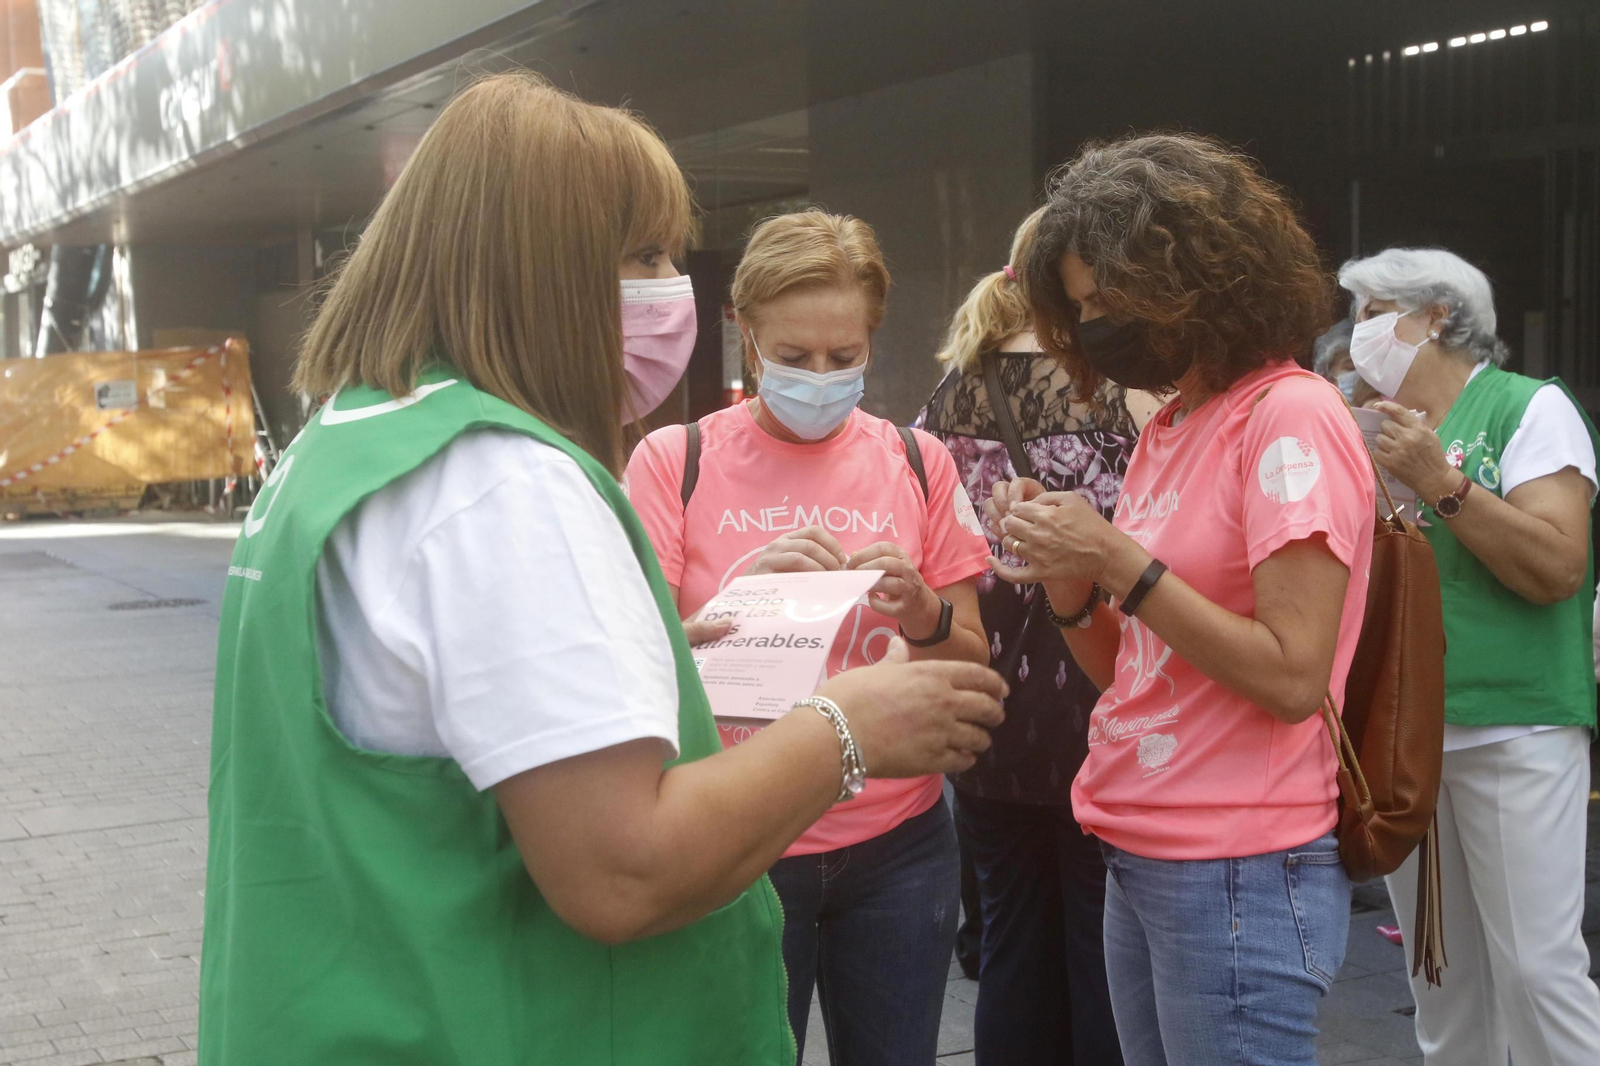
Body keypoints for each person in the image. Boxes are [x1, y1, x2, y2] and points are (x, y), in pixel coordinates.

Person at [199, 74, 1008, 1066]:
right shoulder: (502, 483)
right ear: (543, 267)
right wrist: (848, 726)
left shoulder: (349, 445)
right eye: (646, 253)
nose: (675, 288)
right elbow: (623, 871)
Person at [986, 133, 1376, 1066]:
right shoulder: (1171, 422)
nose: (1095, 329)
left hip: (1238, 861)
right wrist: (1074, 581)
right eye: (1081, 309)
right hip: (1143, 844)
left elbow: (1292, 677)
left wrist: (1115, 559)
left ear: (1198, 276)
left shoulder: (1289, 416)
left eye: (1108, 300)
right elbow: (1131, 669)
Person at [626, 210, 993, 1066]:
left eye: (845, 357)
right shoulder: (672, 461)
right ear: (746, 335)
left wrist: (921, 611)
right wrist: (740, 598)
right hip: (739, 837)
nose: (820, 377)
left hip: (899, 843)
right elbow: (635, 665)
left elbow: (969, 661)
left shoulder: (917, 460)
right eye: (794, 357)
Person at [1340, 247, 1600, 1066]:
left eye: (1375, 313)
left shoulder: (1528, 408)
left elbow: (1558, 566)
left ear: (1437, 317)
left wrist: (1441, 483)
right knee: (1439, 978)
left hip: (1514, 728)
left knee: (1534, 970)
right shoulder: (1365, 428)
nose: (1359, 336)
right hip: (1406, 736)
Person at [916, 205, 1157, 1066]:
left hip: (988, 700)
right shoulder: (1121, 385)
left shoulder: (950, 388)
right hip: (1105, 690)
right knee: (1106, 955)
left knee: (1012, 946)